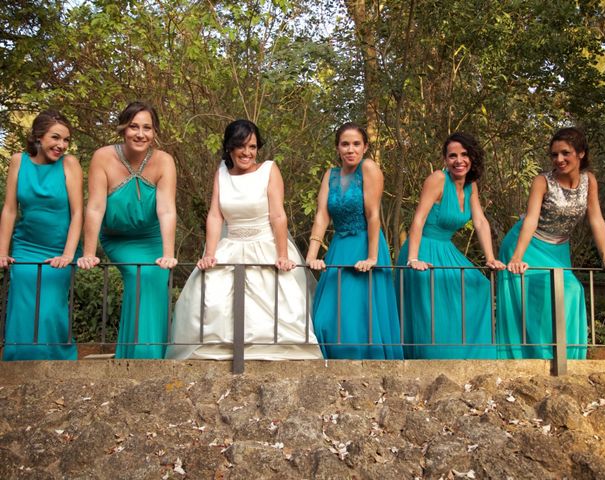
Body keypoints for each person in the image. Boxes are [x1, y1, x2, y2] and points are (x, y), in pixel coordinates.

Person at [166, 120, 322, 360]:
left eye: (252, 146)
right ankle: (217, 353)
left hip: (266, 244)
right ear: (230, 147)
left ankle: (279, 354)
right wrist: (209, 253)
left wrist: (282, 255)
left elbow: (278, 215)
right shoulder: (221, 173)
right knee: (208, 293)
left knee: (279, 303)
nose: (247, 152)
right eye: (241, 146)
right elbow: (216, 215)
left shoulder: (269, 170)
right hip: (231, 245)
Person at [497, 127, 605, 359]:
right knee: (542, 298)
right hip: (527, 245)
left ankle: (565, 359)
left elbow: (596, 219)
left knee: (569, 291)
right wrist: (516, 256)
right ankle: (539, 358)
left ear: (581, 153)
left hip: (558, 249)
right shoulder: (542, 181)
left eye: (565, 153)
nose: (559, 159)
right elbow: (531, 220)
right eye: (554, 154)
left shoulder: (590, 181)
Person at [78, 101, 177, 359]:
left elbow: (166, 210)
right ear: (123, 128)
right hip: (118, 238)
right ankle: (136, 357)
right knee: (138, 275)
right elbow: (95, 208)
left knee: (155, 280)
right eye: (134, 126)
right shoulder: (103, 157)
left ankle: (155, 357)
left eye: (147, 128)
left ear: (155, 132)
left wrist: (168, 254)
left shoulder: (164, 161)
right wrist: (89, 253)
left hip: (152, 237)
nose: (140, 134)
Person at [396, 132, 505, 359]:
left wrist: (490, 258)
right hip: (423, 247)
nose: (459, 161)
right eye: (452, 156)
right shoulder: (437, 179)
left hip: (446, 248)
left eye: (464, 155)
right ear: (445, 159)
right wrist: (413, 259)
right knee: (433, 298)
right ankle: (433, 356)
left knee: (479, 285)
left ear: (472, 157)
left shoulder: (470, 185)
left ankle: (468, 355)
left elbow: (480, 221)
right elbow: (418, 220)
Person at [306, 122, 403, 359]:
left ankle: (367, 368)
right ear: (338, 148)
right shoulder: (331, 175)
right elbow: (322, 216)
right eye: (345, 144)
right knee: (326, 316)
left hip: (365, 243)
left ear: (365, 147)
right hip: (339, 247)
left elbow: (373, 215)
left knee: (359, 314)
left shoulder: (368, 168)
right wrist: (311, 255)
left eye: (356, 144)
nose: (351, 149)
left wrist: (372, 257)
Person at [0, 110, 83, 360]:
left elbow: (78, 213)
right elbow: (10, 209)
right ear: (38, 136)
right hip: (26, 247)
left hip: (60, 249)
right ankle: (18, 364)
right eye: (55, 138)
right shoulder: (18, 161)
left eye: (66, 140)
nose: (61, 145)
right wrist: (3, 251)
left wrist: (68, 255)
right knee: (23, 308)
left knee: (48, 309)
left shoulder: (70, 164)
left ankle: (58, 362)